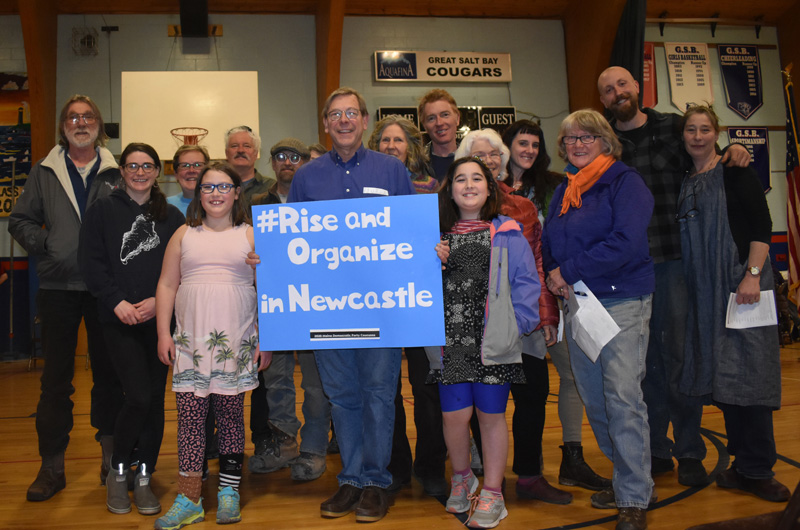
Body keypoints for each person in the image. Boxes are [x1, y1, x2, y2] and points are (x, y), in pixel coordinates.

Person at [597, 66, 750, 486]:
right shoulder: (603, 143)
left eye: (622, 84)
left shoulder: (673, 126)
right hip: (627, 272)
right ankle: (655, 451)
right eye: (608, 90)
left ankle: (689, 452)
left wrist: (736, 148)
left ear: (636, 87)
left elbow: (708, 152)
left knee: (681, 358)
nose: (617, 93)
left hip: (674, 262)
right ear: (604, 100)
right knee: (643, 367)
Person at [287, 87, 415, 523]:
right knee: (341, 396)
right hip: (327, 308)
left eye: (351, 114)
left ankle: (377, 481)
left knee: (379, 394)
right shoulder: (307, 177)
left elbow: (409, 235)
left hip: (381, 308)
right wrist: (265, 260)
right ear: (325, 124)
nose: (343, 121)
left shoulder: (393, 170)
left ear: (364, 121)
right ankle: (352, 479)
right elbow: (292, 243)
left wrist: (428, 251)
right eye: (335, 114)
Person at [542, 109, 655, 530]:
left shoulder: (625, 183)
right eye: (570, 138)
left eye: (586, 137)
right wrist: (556, 273)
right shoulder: (565, 190)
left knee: (623, 397)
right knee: (594, 398)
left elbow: (625, 242)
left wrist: (567, 272)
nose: (577, 144)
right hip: (580, 307)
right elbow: (551, 240)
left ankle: (633, 495)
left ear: (605, 140)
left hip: (623, 301)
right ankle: (634, 479)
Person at [8, 94, 123, 502]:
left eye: (88, 116)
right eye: (72, 117)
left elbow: (133, 220)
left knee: (110, 377)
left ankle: (112, 463)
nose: (80, 122)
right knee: (56, 382)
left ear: (99, 124)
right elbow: (19, 219)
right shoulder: (44, 171)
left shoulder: (117, 170)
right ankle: (51, 467)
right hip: (57, 289)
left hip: (105, 289)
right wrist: (48, 244)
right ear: (63, 126)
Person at [677, 105, 790, 503]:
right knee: (724, 381)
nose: (697, 136)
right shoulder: (685, 179)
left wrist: (752, 276)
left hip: (743, 288)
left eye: (705, 129)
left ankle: (758, 469)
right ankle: (741, 467)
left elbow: (762, 226)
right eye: (690, 129)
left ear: (716, 133)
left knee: (751, 378)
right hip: (704, 296)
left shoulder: (736, 171)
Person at [456, 129, 574, 504]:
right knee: (481, 403)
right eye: (479, 154)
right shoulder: (451, 209)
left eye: (494, 154)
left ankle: (529, 474)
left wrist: (542, 316)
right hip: (475, 330)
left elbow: (537, 265)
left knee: (533, 393)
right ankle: (487, 473)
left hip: (522, 323)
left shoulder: (521, 207)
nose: (488, 160)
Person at [155, 162, 269, 528]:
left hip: (235, 343)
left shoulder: (252, 235)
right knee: (190, 421)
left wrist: (266, 337)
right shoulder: (183, 235)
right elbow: (167, 285)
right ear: (198, 194)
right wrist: (162, 333)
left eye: (224, 186)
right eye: (208, 187)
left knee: (232, 417)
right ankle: (188, 497)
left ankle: (229, 491)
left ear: (237, 192)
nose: (216, 193)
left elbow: (269, 289)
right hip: (191, 344)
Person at [430, 157, 540, 528]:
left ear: (490, 188)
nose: (469, 184)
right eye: (460, 179)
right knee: (454, 417)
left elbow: (527, 283)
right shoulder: (435, 236)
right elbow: (416, 287)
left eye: (477, 178)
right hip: (452, 342)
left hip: (494, 341)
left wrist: (517, 325)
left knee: (491, 417)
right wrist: (433, 263)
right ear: (450, 190)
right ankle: (462, 477)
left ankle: (493, 491)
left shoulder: (508, 232)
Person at [502, 120, 611, 492]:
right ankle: (488, 459)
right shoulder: (486, 189)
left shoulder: (557, 184)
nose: (529, 150)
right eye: (522, 142)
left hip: (558, 290)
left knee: (571, 374)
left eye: (535, 144)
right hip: (508, 302)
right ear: (507, 146)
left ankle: (573, 457)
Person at [78, 142, 185, 515]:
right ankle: (119, 469)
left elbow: (181, 269)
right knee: (137, 396)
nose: (140, 172)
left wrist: (160, 302)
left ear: (158, 172)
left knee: (155, 399)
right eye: (132, 165)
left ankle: (145, 476)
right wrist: (116, 302)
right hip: (118, 320)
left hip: (158, 321)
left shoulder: (171, 216)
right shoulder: (102, 212)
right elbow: (91, 264)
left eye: (147, 166)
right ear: (121, 171)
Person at [367, 115, 447, 496]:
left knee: (427, 384)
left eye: (398, 140)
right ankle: (395, 465)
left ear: (411, 147)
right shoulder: (360, 190)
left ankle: (431, 466)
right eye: (384, 140)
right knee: (386, 389)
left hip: (420, 299)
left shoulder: (432, 188)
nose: (391, 146)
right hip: (375, 301)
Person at [248, 138, 332, 482]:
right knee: (276, 378)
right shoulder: (254, 202)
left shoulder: (322, 201)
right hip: (273, 303)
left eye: (294, 156)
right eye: (280, 156)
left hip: (314, 301)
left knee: (314, 381)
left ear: (304, 163)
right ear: (271, 163)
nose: (287, 162)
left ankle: (313, 448)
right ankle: (284, 444)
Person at [224, 125, 275, 205]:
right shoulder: (217, 187)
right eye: (234, 146)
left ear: (256, 153)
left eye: (247, 146)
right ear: (226, 153)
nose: (240, 150)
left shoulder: (271, 188)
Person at [419, 89, 461, 182]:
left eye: (445, 115)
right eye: (431, 118)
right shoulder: (416, 165)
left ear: (457, 118)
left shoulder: (473, 159)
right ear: (424, 125)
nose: (439, 123)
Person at [168, 145, 209, 215]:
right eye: (184, 165)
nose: (191, 170)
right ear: (176, 174)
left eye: (198, 165)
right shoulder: (165, 206)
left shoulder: (219, 203)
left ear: (208, 171)